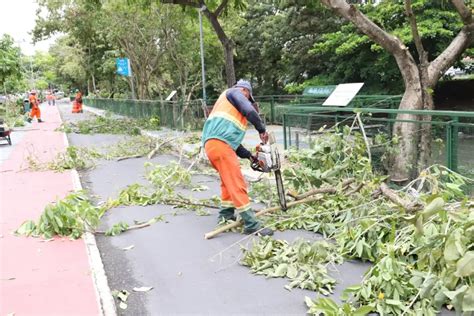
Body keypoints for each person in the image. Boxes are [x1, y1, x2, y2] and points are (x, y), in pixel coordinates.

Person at [201, 79, 273, 236]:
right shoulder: (234, 92)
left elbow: (234, 144)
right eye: (248, 98)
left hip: (213, 146)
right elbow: (250, 111)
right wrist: (261, 129)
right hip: (220, 146)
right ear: (245, 92)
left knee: (227, 182)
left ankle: (225, 215)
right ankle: (251, 223)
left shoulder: (226, 108)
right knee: (236, 181)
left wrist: (250, 156)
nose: (247, 101)